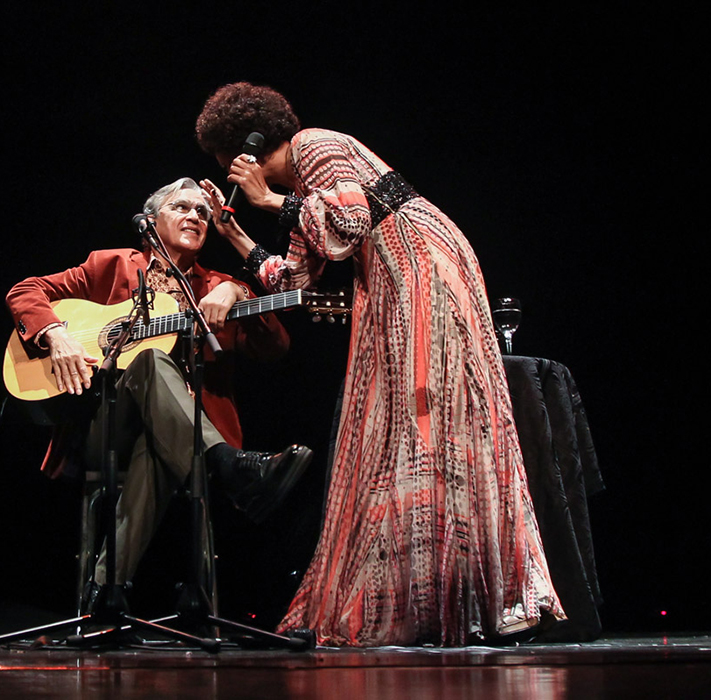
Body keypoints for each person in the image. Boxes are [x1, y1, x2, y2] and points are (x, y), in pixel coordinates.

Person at [195, 82, 565, 646]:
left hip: (422, 264)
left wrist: (271, 202)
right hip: (389, 280)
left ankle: (483, 595)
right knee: (398, 428)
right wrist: (240, 237)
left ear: (240, 150)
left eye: (224, 163)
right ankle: (434, 595)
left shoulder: (314, 146)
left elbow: (348, 226)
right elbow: (295, 277)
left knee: (429, 417)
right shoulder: (302, 184)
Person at [6, 176, 312, 604]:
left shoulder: (216, 288)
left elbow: (274, 347)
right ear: (150, 221)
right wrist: (55, 335)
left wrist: (238, 289)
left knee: (160, 446)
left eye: (203, 212)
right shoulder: (110, 265)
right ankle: (228, 464)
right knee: (150, 360)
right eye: (182, 207)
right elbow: (25, 291)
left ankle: (105, 592)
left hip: (175, 436)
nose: (195, 216)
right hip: (103, 426)